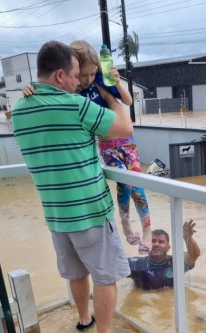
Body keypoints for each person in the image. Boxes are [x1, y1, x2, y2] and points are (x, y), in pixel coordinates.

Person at [12, 40, 133, 333]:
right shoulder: (74, 106)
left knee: (76, 272)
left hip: (56, 215)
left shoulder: (19, 111)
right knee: (105, 276)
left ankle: (83, 319)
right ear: (59, 76)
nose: (79, 81)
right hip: (91, 211)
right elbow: (125, 128)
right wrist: (110, 94)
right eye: (76, 75)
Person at [70, 40, 152, 254]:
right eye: (83, 75)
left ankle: (147, 229)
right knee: (124, 183)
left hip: (128, 143)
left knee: (137, 182)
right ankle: (125, 222)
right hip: (107, 145)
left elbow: (127, 101)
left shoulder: (100, 81)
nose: (87, 80)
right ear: (74, 71)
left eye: (91, 74)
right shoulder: (72, 93)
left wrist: (115, 82)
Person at [128, 220, 200, 290]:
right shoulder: (137, 264)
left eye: (161, 242)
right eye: (153, 241)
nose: (156, 244)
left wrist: (188, 238)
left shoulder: (176, 262)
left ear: (168, 248)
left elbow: (193, 255)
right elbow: (117, 265)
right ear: (147, 244)